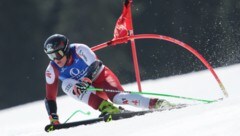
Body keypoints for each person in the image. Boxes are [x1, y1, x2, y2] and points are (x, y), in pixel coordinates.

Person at [44, 34, 173, 125]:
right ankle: (106, 107)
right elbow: (50, 97)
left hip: (102, 78)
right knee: (66, 84)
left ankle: (156, 103)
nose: (56, 59)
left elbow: (96, 64)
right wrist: (53, 117)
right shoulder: (52, 70)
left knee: (119, 98)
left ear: (66, 50)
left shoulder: (79, 49)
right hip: (90, 91)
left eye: (58, 54)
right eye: (51, 56)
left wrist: (86, 80)